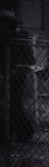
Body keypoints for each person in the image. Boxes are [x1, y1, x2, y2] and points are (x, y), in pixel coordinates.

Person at [0, 9, 35, 143]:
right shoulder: (4, 37)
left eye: (3, 24)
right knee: (8, 103)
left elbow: (29, 59)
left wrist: (16, 69)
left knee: (12, 102)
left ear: (9, 24)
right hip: (5, 73)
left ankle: (24, 131)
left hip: (17, 74)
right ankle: (11, 132)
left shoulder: (20, 37)